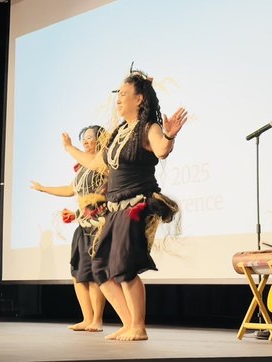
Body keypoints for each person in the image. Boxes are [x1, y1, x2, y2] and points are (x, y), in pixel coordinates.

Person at [63, 70, 188, 341]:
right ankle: (129, 323)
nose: (118, 100)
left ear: (139, 99)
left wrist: (169, 135)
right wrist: (71, 149)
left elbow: (162, 150)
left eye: (123, 95)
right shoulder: (120, 131)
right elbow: (98, 164)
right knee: (99, 268)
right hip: (114, 208)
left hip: (136, 206)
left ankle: (139, 326)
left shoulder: (149, 128)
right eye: (117, 95)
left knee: (124, 267)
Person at [31, 125, 108, 332]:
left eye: (90, 138)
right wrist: (44, 189)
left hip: (99, 226)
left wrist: (68, 147)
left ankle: (97, 320)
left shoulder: (103, 162)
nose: (86, 141)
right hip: (82, 226)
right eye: (84, 138)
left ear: (101, 140)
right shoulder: (82, 168)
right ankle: (87, 318)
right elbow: (70, 190)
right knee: (79, 274)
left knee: (95, 274)